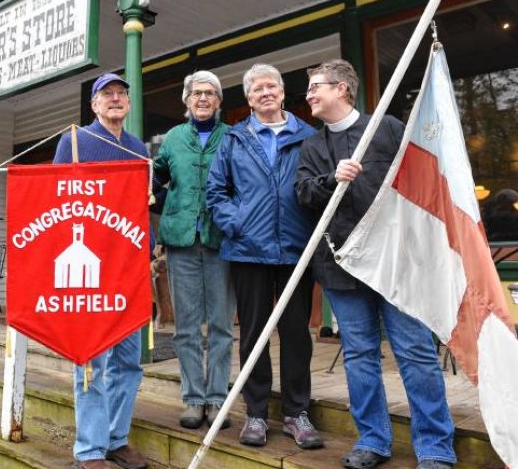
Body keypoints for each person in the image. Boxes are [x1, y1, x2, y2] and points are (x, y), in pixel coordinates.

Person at [295, 59, 456, 469]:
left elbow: (422, 179)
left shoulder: (385, 128)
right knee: (359, 354)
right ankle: (373, 440)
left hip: (397, 263)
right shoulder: (313, 146)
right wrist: (331, 179)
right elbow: (304, 195)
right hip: (342, 266)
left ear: (343, 89)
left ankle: (436, 447)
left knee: (415, 352)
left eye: (316, 86)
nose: (309, 94)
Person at [206, 63, 323, 449]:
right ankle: (255, 413)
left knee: (296, 335)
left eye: (271, 86)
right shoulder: (234, 139)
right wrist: (236, 223)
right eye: (257, 89)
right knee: (253, 335)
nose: (265, 92)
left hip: (295, 249)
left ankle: (296, 413)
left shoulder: (309, 136)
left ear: (282, 91)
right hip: (248, 251)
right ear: (249, 98)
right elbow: (215, 192)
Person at [54, 73, 148, 469]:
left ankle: (116, 439)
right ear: (93, 105)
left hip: (130, 268)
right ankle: (89, 450)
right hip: (89, 266)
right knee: (92, 361)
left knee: (128, 361)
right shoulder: (74, 141)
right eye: (106, 94)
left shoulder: (138, 148)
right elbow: (55, 198)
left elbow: (141, 204)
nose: (115, 99)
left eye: (121, 94)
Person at [152, 71, 235, 430]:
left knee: (220, 325)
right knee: (185, 327)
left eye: (210, 94)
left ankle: (217, 398)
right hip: (181, 241)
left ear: (218, 101)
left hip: (220, 240)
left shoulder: (232, 137)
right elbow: (153, 179)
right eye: (196, 93)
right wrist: (172, 207)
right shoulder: (172, 138)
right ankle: (193, 398)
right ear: (186, 101)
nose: (202, 99)